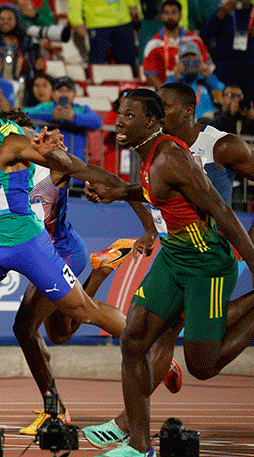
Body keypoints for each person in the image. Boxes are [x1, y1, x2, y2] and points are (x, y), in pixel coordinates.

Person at [68, 88, 254, 457]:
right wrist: (120, 193)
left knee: (203, 366)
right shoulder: (149, 152)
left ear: (152, 122)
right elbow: (158, 190)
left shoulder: (171, 155)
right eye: (119, 114)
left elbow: (223, 213)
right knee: (133, 340)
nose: (120, 122)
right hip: (172, 256)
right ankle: (139, 446)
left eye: (130, 116)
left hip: (205, 265)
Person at [0, 87, 129, 409]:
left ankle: (144, 343)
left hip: (31, 246)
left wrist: (125, 191)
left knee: (81, 313)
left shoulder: (12, 145)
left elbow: (72, 165)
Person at [0, 109, 163, 436]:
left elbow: (112, 181)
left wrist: (148, 226)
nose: (11, 146)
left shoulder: (54, 165)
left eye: (18, 138)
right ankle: (100, 271)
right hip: (37, 256)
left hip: (62, 253)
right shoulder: (2, 171)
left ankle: (54, 409)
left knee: (25, 327)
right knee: (60, 332)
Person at [24, 76, 102, 163]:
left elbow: (97, 122)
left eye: (68, 91)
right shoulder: (47, 107)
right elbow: (25, 113)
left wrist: (73, 118)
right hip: (50, 161)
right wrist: (51, 117)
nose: (64, 94)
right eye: (60, 91)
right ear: (53, 94)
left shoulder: (82, 109)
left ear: (74, 94)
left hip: (75, 162)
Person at [200, 0, 254, 102]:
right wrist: (222, 13)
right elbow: (204, 35)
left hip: (250, 69)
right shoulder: (223, 12)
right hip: (226, 68)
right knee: (222, 107)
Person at [142, 0, 209, 88]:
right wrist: (166, 93)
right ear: (162, 16)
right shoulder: (153, 44)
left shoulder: (194, 39)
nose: (170, 16)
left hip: (194, 89)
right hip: (167, 91)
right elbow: (149, 74)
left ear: (180, 15)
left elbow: (205, 67)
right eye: (166, 13)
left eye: (174, 13)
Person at [163, 41, 223, 121]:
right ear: (179, 61)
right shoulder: (175, 81)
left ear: (200, 58)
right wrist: (175, 79)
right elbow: (163, 97)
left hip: (207, 123)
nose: (190, 59)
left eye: (193, 55)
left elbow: (222, 96)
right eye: (186, 57)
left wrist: (209, 77)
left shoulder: (206, 80)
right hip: (181, 123)